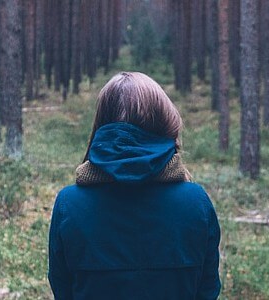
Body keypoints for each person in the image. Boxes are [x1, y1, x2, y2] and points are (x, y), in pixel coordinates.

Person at [48, 72, 221, 299]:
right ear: (164, 123)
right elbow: (207, 291)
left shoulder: (69, 204)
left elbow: (63, 291)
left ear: (102, 124)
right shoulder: (196, 201)